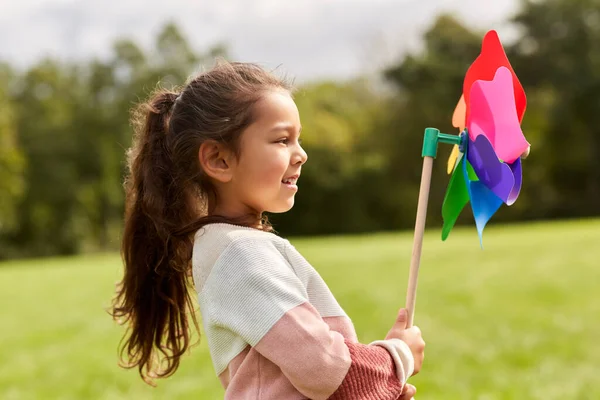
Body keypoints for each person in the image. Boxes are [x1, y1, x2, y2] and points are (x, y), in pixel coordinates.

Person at [111, 60, 425, 399]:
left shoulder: (229, 248)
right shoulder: (242, 254)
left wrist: (379, 390)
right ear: (219, 160)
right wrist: (398, 356)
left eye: (298, 139)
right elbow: (324, 368)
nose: (301, 154)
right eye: (281, 140)